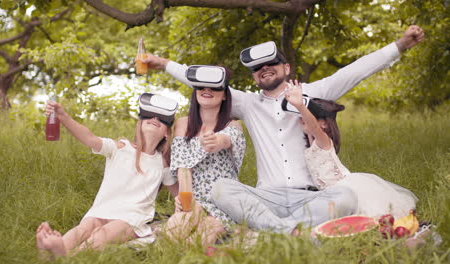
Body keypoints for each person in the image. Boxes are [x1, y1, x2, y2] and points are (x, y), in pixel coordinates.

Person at [142, 25, 424, 234]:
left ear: (286, 67)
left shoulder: (310, 93)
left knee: (347, 197)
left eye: (271, 64)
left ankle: (279, 229)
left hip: (311, 196)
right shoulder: (249, 104)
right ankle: (291, 230)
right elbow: (205, 82)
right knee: (222, 189)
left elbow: (354, 71)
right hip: (268, 196)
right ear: (253, 76)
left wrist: (399, 44)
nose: (264, 69)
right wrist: (164, 64)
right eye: (257, 68)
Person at [36, 93, 179, 258]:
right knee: (84, 228)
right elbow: (89, 138)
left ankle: (64, 255)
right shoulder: (120, 148)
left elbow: (179, 193)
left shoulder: (162, 164)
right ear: (139, 124)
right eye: (150, 115)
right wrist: (62, 116)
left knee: (105, 233)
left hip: (131, 219)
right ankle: (54, 249)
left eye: (162, 119)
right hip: (102, 209)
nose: (155, 118)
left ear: (167, 133)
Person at [285, 80, 417, 218]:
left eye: (309, 117)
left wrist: (300, 106)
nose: (302, 119)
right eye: (301, 118)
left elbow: (313, 126)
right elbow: (308, 125)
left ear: (323, 123)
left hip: (343, 186)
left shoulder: (323, 141)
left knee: (370, 212)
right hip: (329, 193)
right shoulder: (311, 142)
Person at [164, 65, 246, 246]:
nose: (206, 90)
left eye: (215, 87)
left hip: (224, 199)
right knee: (174, 230)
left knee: (202, 236)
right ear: (195, 92)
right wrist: (184, 198)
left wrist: (215, 141)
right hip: (195, 197)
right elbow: (182, 167)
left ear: (224, 94)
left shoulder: (233, 125)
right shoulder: (183, 124)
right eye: (201, 86)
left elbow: (225, 139)